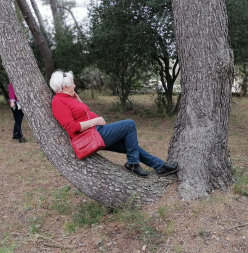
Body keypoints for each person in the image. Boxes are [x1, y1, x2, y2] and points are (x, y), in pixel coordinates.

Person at [50, 70, 178, 177]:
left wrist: (77, 100)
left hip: (97, 133)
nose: (75, 85)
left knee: (131, 146)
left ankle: (160, 166)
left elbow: (81, 114)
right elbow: (72, 127)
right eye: (73, 83)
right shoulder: (59, 102)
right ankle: (133, 163)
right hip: (94, 135)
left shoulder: (68, 98)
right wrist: (95, 121)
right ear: (65, 86)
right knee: (130, 124)